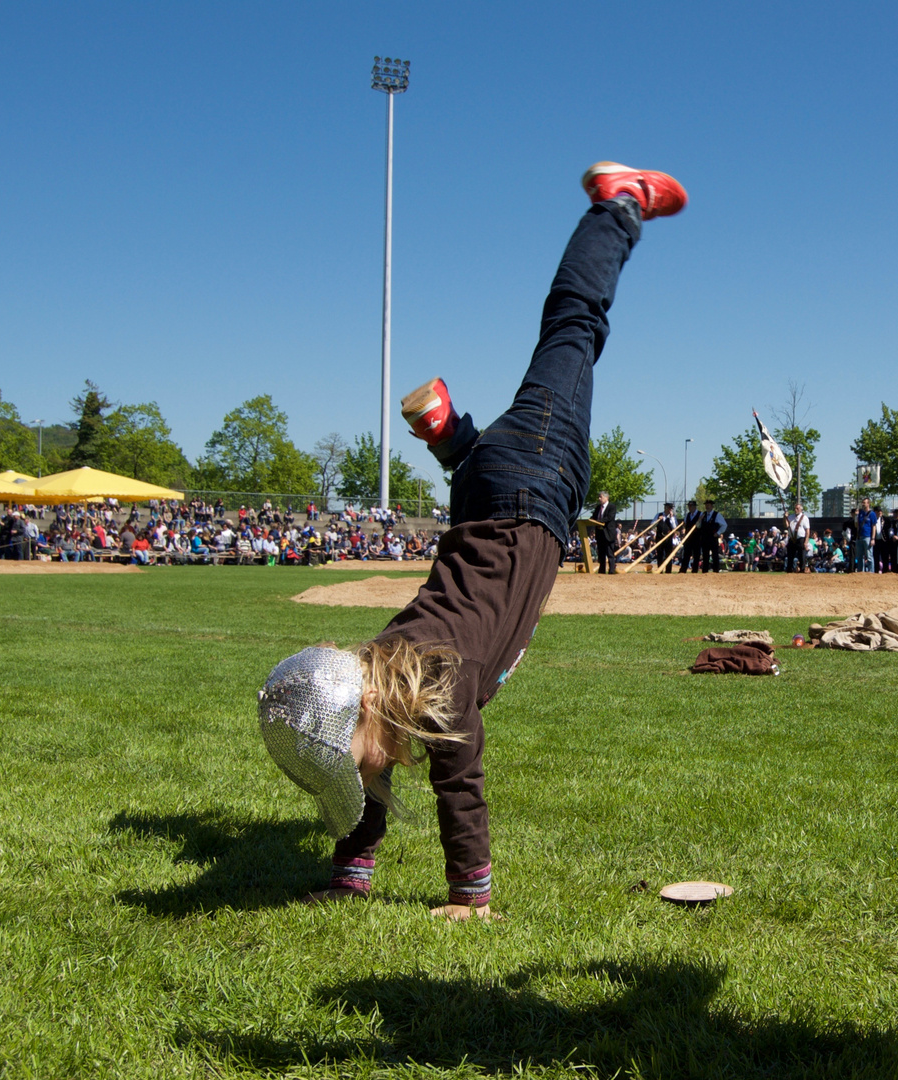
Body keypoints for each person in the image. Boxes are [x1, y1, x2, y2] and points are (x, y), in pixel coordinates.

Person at [257, 160, 687, 920]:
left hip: (534, 476)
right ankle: (450, 435)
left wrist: (469, 898)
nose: (362, 780)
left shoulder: (438, 683)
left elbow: (461, 787)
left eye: (350, 767)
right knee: (568, 350)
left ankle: (619, 205)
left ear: (359, 716)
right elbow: (372, 785)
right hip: (488, 489)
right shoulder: (381, 671)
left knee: (576, 324)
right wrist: (349, 873)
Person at [590, 491, 618, 574]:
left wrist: (599, 521)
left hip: (608, 533)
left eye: (600, 497)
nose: (599, 499)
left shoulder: (612, 507)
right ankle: (601, 570)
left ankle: (611, 570)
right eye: (599, 497)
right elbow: (594, 516)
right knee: (601, 553)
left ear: (606, 498)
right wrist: (590, 520)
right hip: (600, 533)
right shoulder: (598, 507)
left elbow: (609, 517)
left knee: (610, 553)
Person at [699, 499, 727, 573]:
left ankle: (716, 571)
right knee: (705, 555)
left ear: (712, 506)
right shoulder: (703, 515)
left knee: (715, 555)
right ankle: (704, 571)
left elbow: (724, 525)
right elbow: (698, 526)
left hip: (713, 537)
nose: (707, 506)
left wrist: (718, 533)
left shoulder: (717, 515)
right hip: (705, 538)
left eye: (708, 505)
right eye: (706, 505)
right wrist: (699, 520)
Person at [651, 502, 679, 572]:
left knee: (668, 555)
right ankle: (660, 570)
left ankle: (668, 571)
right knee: (660, 554)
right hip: (659, 537)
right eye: (669, 508)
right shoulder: (658, 515)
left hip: (668, 538)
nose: (670, 509)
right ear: (665, 508)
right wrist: (658, 520)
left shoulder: (673, 517)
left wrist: (672, 518)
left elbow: (675, 527)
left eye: (671, 508)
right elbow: (652, 525)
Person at [784, 503, 810, 573]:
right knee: (790, 555)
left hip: (800, 539)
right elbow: (786, 525)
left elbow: (807, 531)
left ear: (801, 509)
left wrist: (806, 542)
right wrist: (785, 517)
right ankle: (789, 569)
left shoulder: (804, 518)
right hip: (792, 539)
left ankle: (802, 569)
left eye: (797, 508)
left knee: (801, 556)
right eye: (795, 508)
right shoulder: (791, 517)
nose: (796, 510)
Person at [679, 500, 702, 573]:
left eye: (691, 506)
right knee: (686, 554)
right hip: (688, 538)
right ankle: (683, 570)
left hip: (697, 537)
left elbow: (700, 526)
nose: (689, 507)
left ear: (695, 506)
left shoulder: (700, 514)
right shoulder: (688, 515)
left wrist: (698, 523)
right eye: (689, 506)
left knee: (696, 554)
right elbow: (686, 524)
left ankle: (694, 570)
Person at [855, 498, 877, 573]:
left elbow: (874, 526)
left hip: (867, 536)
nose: (863, 504)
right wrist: (856, 516)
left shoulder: (872, 514)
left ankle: (871, 571)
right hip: (860, 536)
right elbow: (856, 525)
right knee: (860, 556)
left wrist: (873, 538)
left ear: (868, 504)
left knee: (869, 556)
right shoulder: (860, 513)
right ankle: (860, 571)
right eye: (862, 502)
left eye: (864, 502)